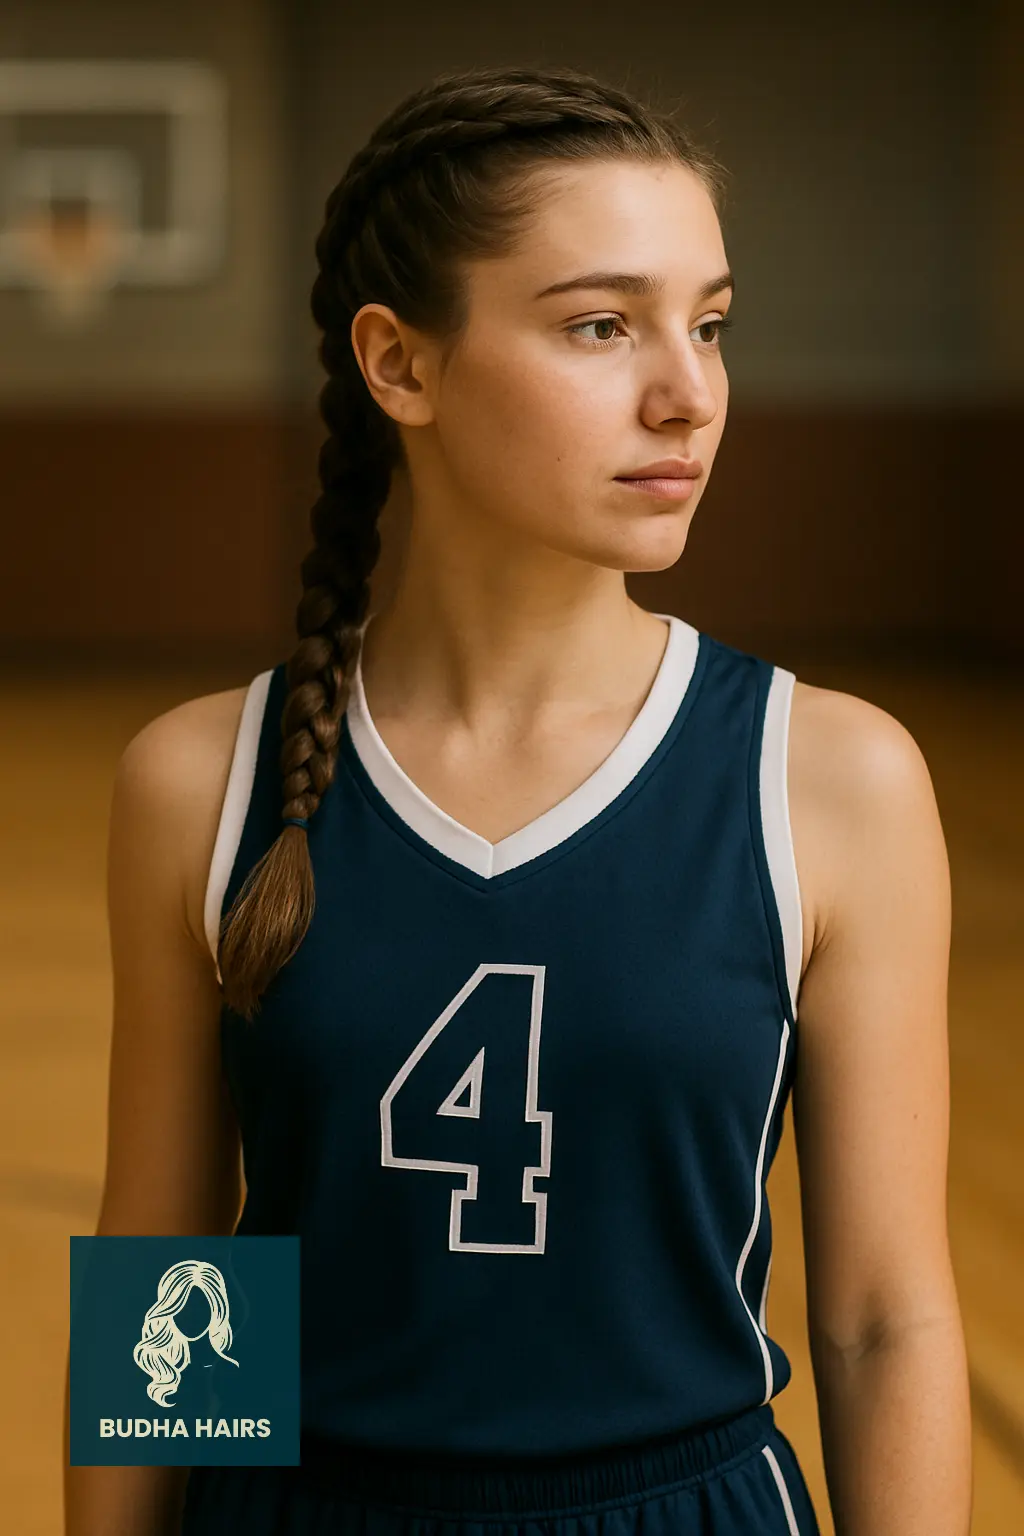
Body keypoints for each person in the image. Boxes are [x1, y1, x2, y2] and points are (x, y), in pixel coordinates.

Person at [64, 63, 972, 1536]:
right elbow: (175, 1283)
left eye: (712, 324)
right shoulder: (201, 782)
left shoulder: (831, 777)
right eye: (601, 326)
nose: (687, 392)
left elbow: (884, 1320)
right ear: (399, 365)